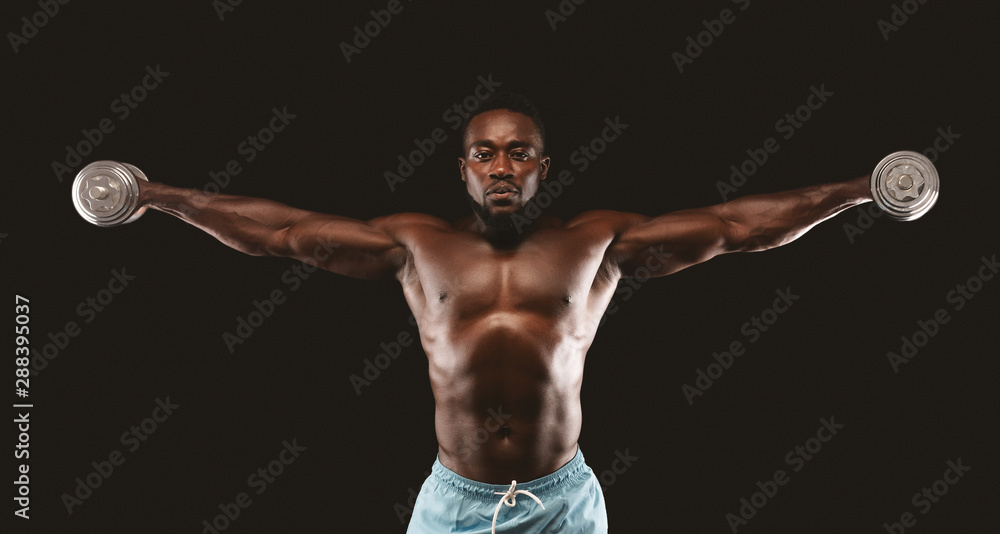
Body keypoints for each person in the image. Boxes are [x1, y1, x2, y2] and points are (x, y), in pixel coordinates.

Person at [135, 93, 873, 533]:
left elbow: (737, 227)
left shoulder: (597, 242)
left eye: (519, 153)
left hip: (563, 501)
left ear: (541, 168)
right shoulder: (414, 244)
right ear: (462, 168)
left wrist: (865, 188)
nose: (500, 166)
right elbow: (282, 234)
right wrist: (154, 195)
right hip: (455, 504)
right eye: (484, 153)